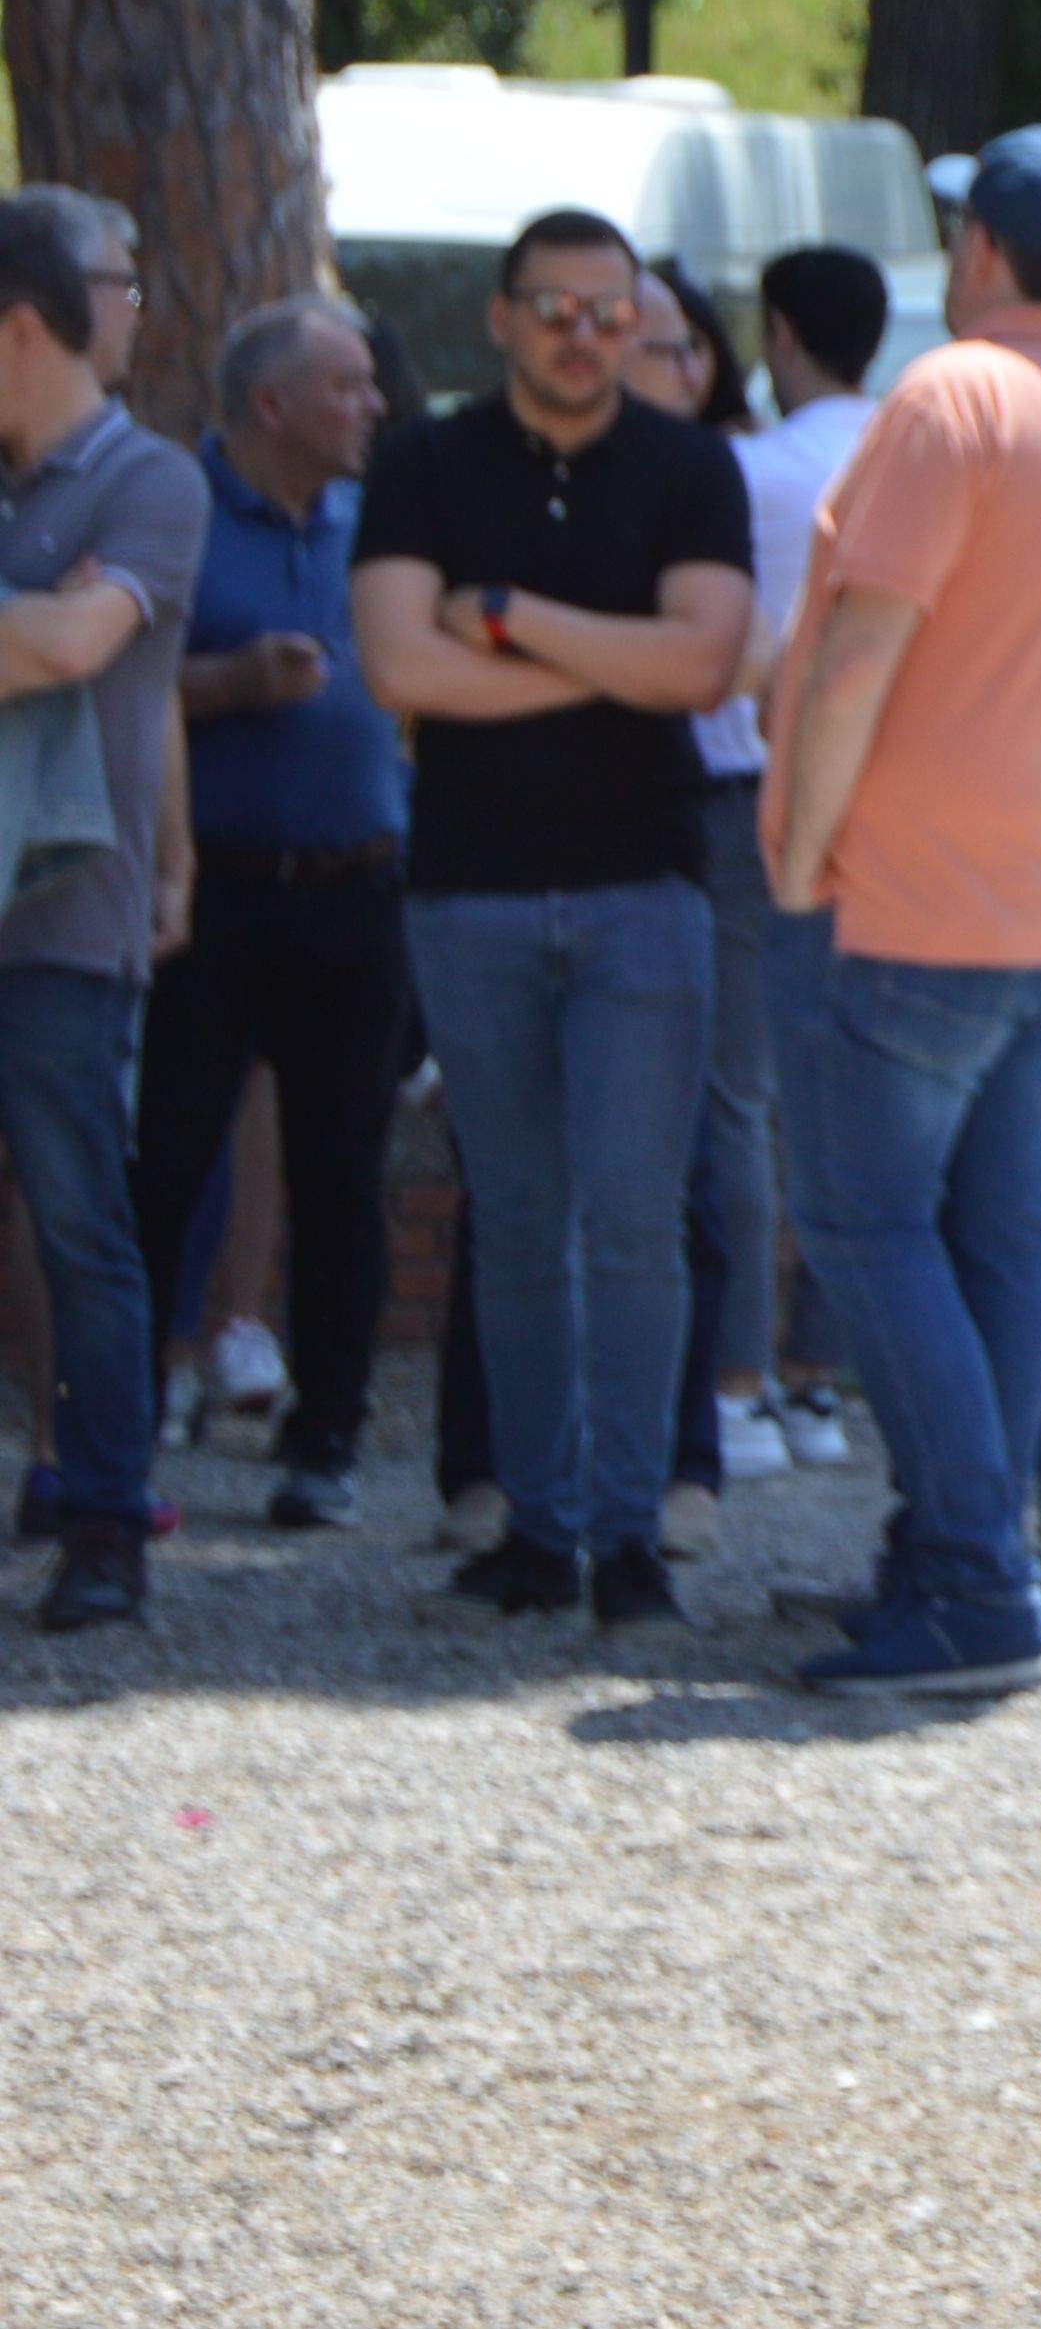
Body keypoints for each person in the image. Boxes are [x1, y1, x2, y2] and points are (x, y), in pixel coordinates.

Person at [759, 126, 1041, 1700]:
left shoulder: (954, 397)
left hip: (913, 905)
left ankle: (968, 1578)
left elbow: (859, 656)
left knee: (868, 1229)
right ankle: (960, 1560)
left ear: (982, 253)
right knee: (1002, 1239)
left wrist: (801, 852)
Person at [355, 209, 753, 1629]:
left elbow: (704, 666)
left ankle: (631, 1537)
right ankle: (538, 1528)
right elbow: (400, 668)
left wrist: (513, 616)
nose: (585, 337)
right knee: (517, 1220)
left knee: (638, 1221)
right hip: (469, 895)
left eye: (610, 313)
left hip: (644, 893)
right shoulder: (423, 463)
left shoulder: (689, 467)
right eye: (556, 310)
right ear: (502, 317)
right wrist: (618, 664)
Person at [130, 297, 412, 1535]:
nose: (373, 405)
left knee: (345, 1173)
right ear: (271, 405)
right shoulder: (177, 512)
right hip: (212, 892)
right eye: (347, 386)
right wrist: (233, 683)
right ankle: (119, 1430)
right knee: (163, 1164)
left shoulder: (379, 520)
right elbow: (121, 682)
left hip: (358, 889)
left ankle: (327, 1436)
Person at [0, 191, 207, 1632]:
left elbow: (91, 647)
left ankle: (104, 1524)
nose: (140, 308)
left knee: (80, 1222)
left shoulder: (151, 480)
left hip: (70, 915)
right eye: (122, 284)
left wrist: (56, 629)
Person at [625, 260, 782, 1546]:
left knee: (718, 1108)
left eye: (687, 346)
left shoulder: (722, 472)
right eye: (652, 345)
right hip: (576, 826)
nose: (674, 368)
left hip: (721, 807)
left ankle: (728, 1393)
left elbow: (734, 656)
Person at [735, 247, 889, 1464]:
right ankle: (819, 1373)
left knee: (742, 1101)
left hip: (762, 801)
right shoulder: (914, 449)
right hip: (903, 819)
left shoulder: (750, 472)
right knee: (858, 1110)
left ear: (779, 333)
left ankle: (740, 1374)